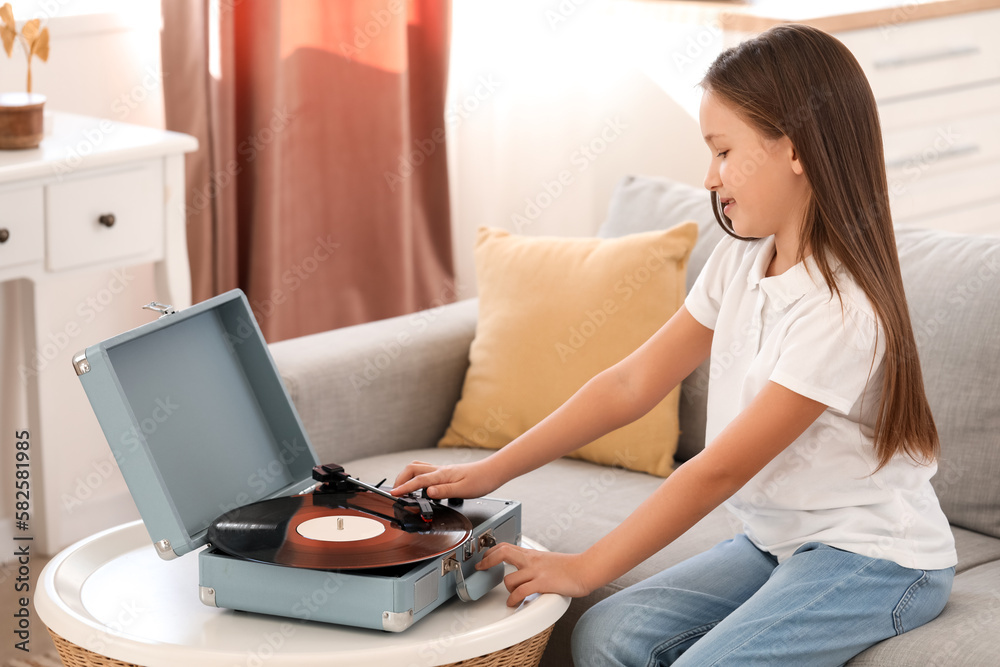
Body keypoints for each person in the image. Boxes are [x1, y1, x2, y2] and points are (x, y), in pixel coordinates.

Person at [392, 23, 956, 666]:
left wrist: (582, 568)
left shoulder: (842, 310)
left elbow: (718, 470)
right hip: (779, 541)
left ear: (793, 149)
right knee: (605, 633)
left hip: (875, 559)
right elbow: (630, 385)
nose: (710, 177)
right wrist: (491, 469)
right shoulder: (740, 262)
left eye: (721, 151)